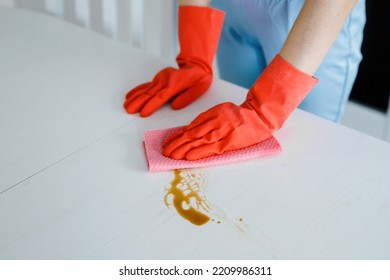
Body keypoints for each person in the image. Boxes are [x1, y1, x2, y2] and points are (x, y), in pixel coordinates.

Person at [123, 0, 366, 160]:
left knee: (305, 156)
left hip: (315, 16)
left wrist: (266, 109)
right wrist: (194, 51)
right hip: (232, 8)